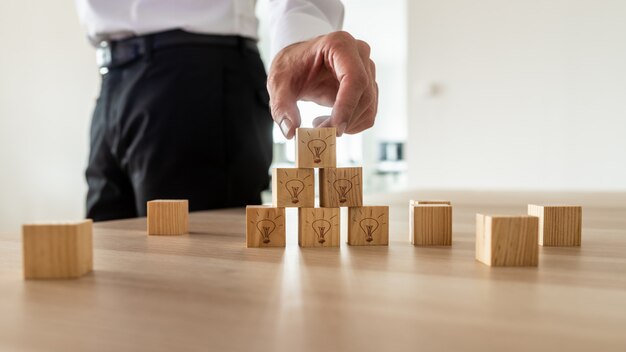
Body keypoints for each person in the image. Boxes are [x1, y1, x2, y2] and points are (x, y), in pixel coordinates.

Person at [76, 0, 378, 221]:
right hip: (110, 78)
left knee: (197, 283)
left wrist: (304, 30)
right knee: (105, 257)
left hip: (197, 76)